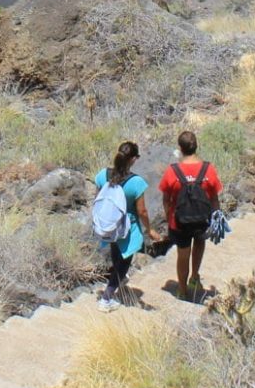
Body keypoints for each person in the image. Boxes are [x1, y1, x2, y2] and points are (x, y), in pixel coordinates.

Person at [157, 130, 222, 301]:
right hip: (203, 219)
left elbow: (166, 199)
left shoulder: (173, 171)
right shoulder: (208, 169)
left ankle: (182, 289)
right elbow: (214, 197)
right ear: (196, 147)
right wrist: (217, 217)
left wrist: (168, 217)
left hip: (179, 222)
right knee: (199, 244)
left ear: (180, 148)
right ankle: (194, 277)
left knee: (182, 254)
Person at [91, 141, 152, 311]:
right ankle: (107, 298)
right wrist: (149, 229)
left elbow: (97, 199)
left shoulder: (103, 175)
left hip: (108, 224)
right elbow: (142, 211)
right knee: (124, 261)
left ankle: (119, 279)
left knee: (116, 252)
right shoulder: (136, 182)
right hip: (127, 227)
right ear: (133, 159)